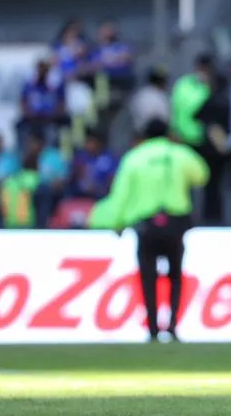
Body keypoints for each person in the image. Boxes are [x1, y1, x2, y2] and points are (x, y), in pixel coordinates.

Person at [87, 119, 209, 342]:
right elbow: (202, 175)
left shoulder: (134, 157)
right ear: (168, 134)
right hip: (175, 221)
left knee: (148, 277)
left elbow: (121, 194)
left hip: (146, 225)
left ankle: (152, 328)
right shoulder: (179, 153)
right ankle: (172, 326)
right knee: (175, 276)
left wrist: (117, 223)